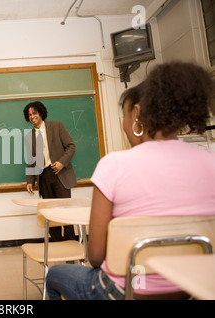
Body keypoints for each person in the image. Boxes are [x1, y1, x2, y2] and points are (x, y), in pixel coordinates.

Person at [46, 62, 215, 300]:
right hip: (193, 290)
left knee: (53, 275)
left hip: (125, 291)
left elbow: (95, 256)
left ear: (136, 114)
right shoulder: (211, 161)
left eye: (123, 116)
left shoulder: (114, 164)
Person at [23, 101, 78, 241]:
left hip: (60, 174)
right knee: (50, 214)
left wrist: (61, 163)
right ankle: (57, 244)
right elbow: (31, 160)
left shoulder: (56, 125)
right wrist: (30, 180)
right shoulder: (29, 137)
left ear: (41, 113)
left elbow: (71, 146)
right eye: (29, 115)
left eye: (34, 113)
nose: (32, 116)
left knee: (65, 212)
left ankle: (71, 245)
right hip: (43, 177)